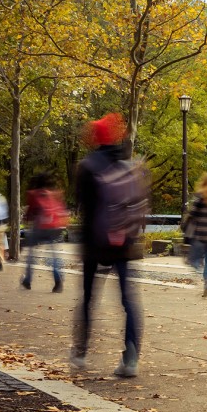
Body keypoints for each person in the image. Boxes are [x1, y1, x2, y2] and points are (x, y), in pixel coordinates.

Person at [71, 113, 148, 378]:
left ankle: (80, 352)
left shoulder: (88, 166)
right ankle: (131, 358)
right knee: (128, 300)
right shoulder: (129, 166)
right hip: (125, 242)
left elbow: (83, 206)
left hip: (95, 242)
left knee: (89, 298)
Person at [21, 172, 68, 292]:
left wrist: (27, 221)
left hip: (40, 227)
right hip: (55, 227)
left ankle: (28, 280)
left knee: (31, 254)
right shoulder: (53, 194)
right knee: (54, 256)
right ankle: (58, 280)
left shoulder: (33, 194)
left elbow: (29, 214)